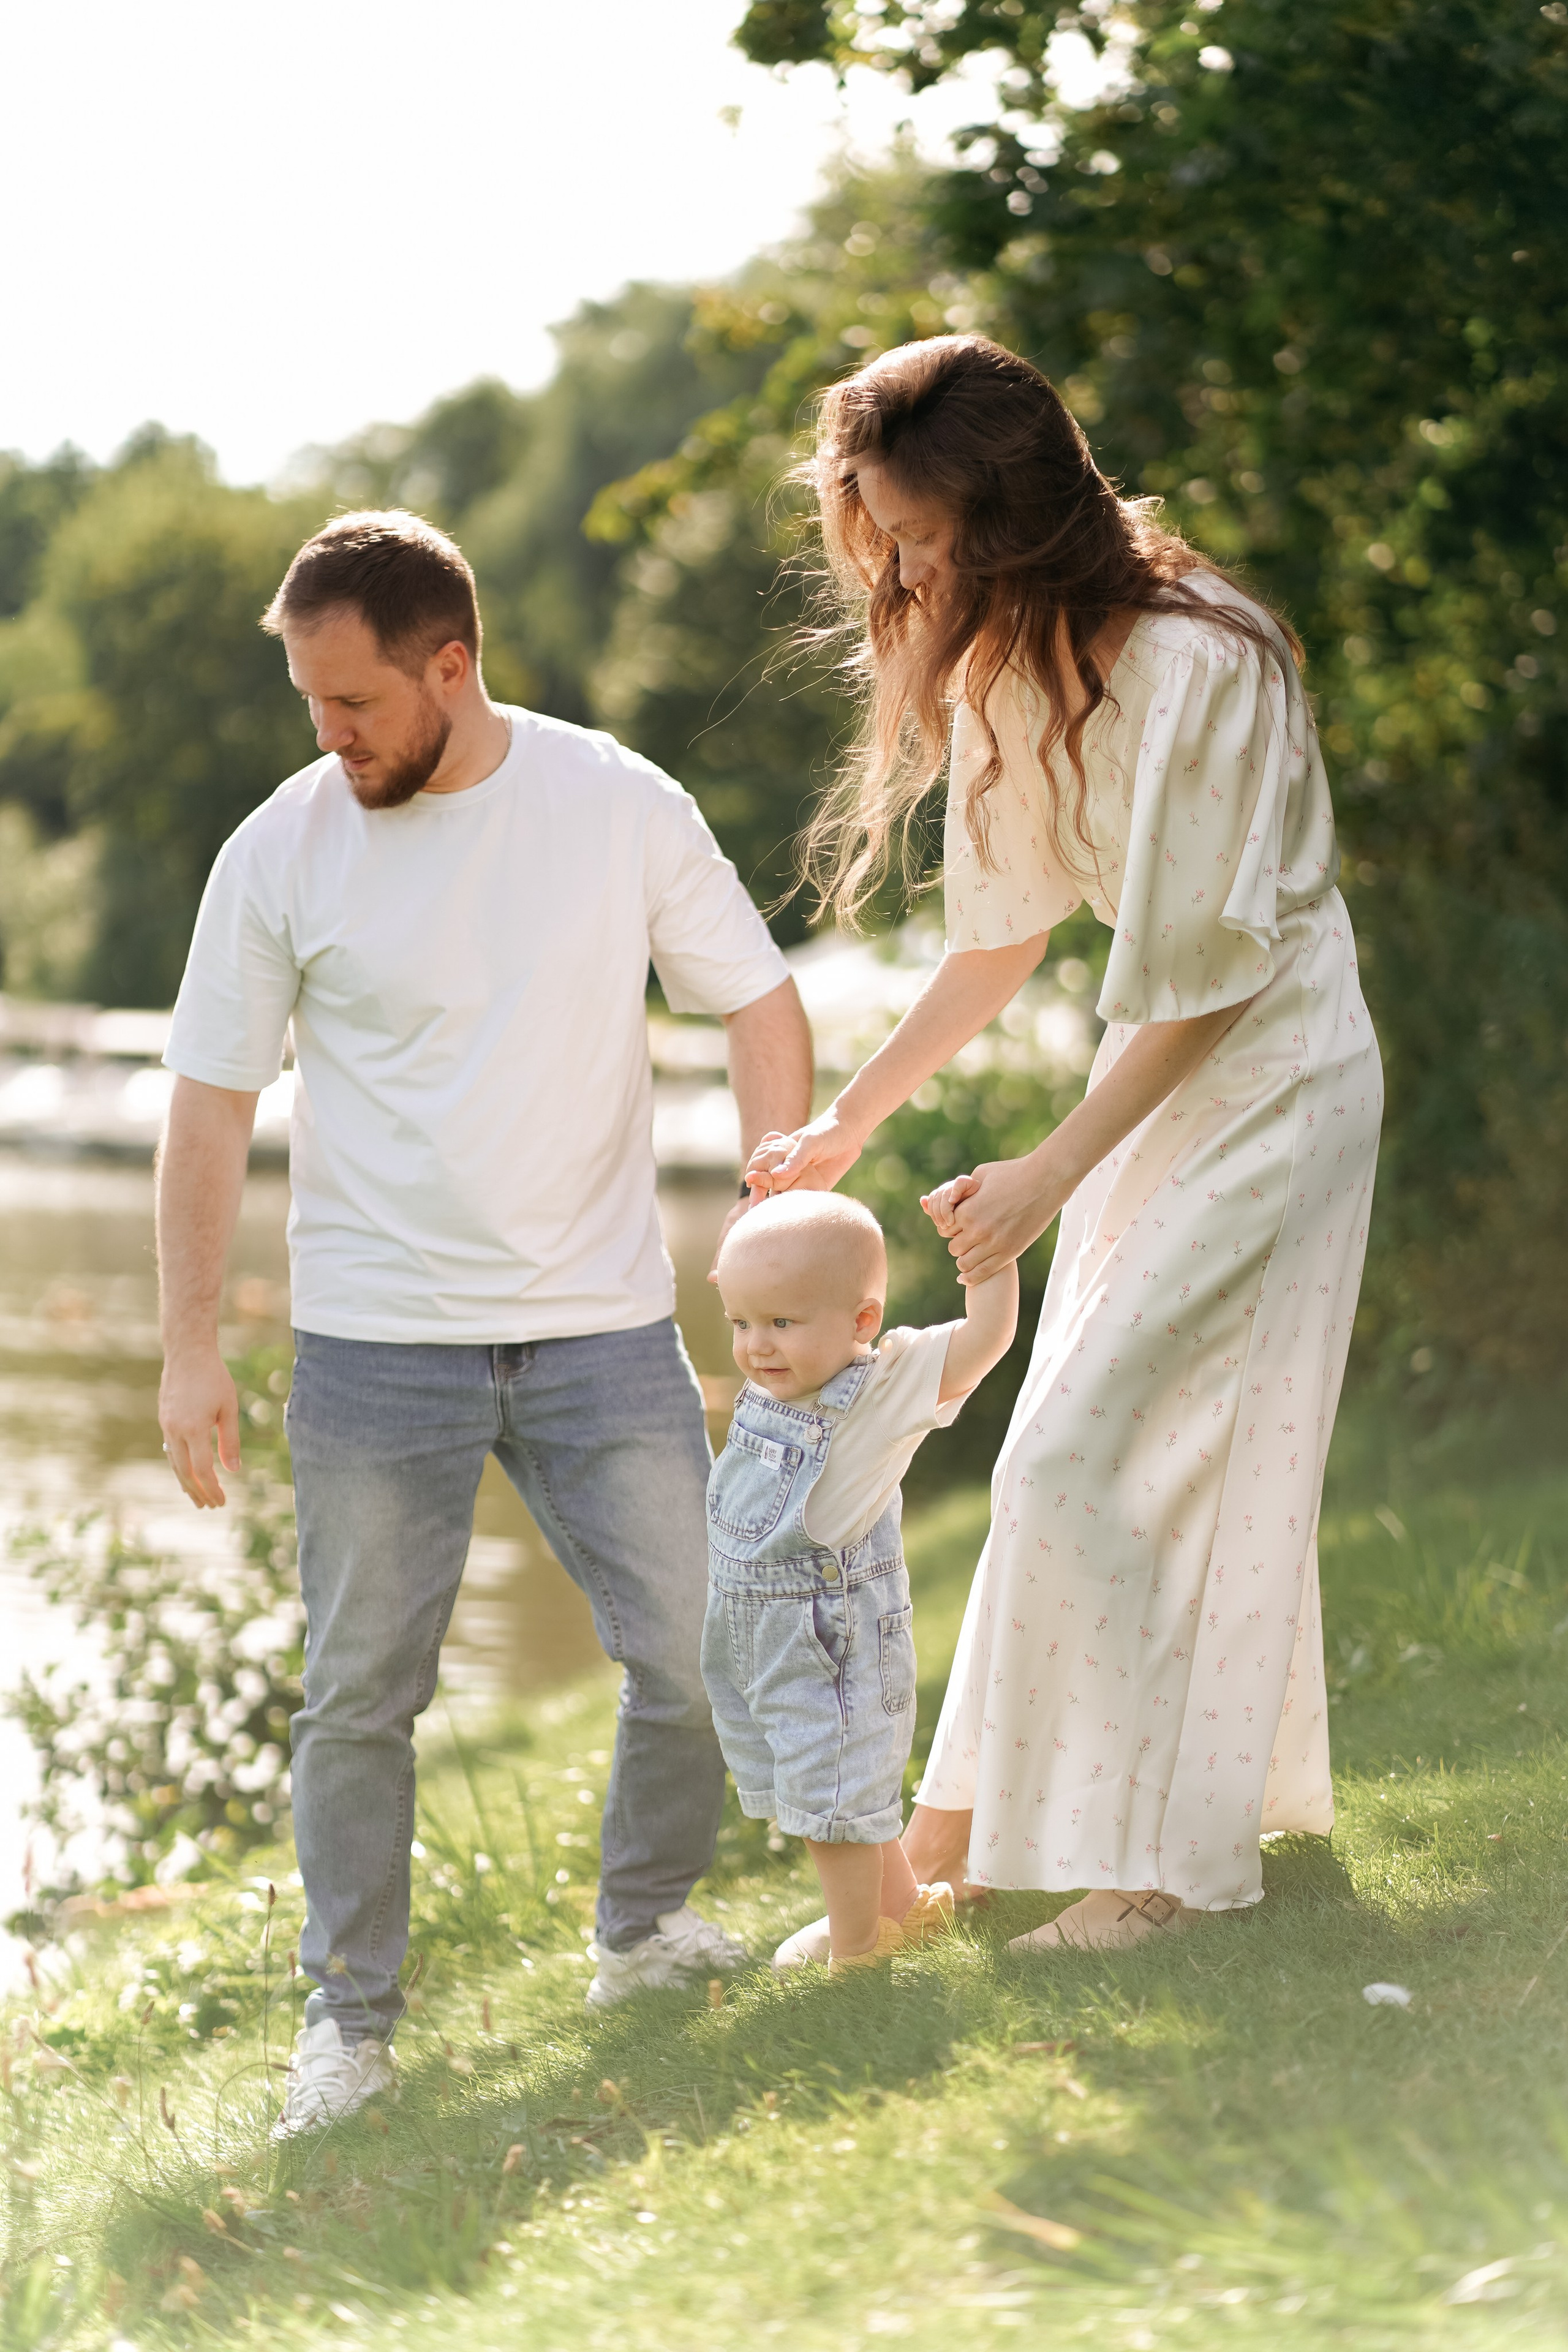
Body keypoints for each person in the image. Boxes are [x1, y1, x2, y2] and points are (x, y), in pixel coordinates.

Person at [156, 510, 812, 2128]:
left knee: (697, 1640)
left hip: (601, 1327)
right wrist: (186, 1345)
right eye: (310, 702)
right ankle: (349, 2027)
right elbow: (211, 1101)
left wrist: (771, 1224)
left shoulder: (615, 804)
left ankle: (643, 1930)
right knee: (360, 1696)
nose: (330, 734)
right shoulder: (282, 847)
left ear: (451, 666)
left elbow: (759, 1000)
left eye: (355, 701)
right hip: (376, 1344)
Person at [748, 335, 1382, 1954]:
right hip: (1151, 1070)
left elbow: (1216, 977)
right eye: (883, 536)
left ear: (1009, 511)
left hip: (1273, 1074)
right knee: (1062, 1454)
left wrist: (1048, 1172)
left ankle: (1169, 1870)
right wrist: (849, 1119)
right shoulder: (1008, 661)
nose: (897, 571)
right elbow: (1003, 937)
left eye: (917, 535)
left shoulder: (1205, 659)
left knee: (1098, 1456)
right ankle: (941, 1853)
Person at [703, 1189, 1016, 1966]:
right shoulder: (780, 1380)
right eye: (741, 1323)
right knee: (836, 1791)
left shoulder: (880, 1390)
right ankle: (903, 1912)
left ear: (862, 1321)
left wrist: (986, 1254)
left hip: (830, 1644)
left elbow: (985, 1338)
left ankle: (859, 1955)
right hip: (760, 1642)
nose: (756, 1347)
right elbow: (758, 1274)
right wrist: (758, 1218)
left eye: (781, 1323)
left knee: (832, 1809)